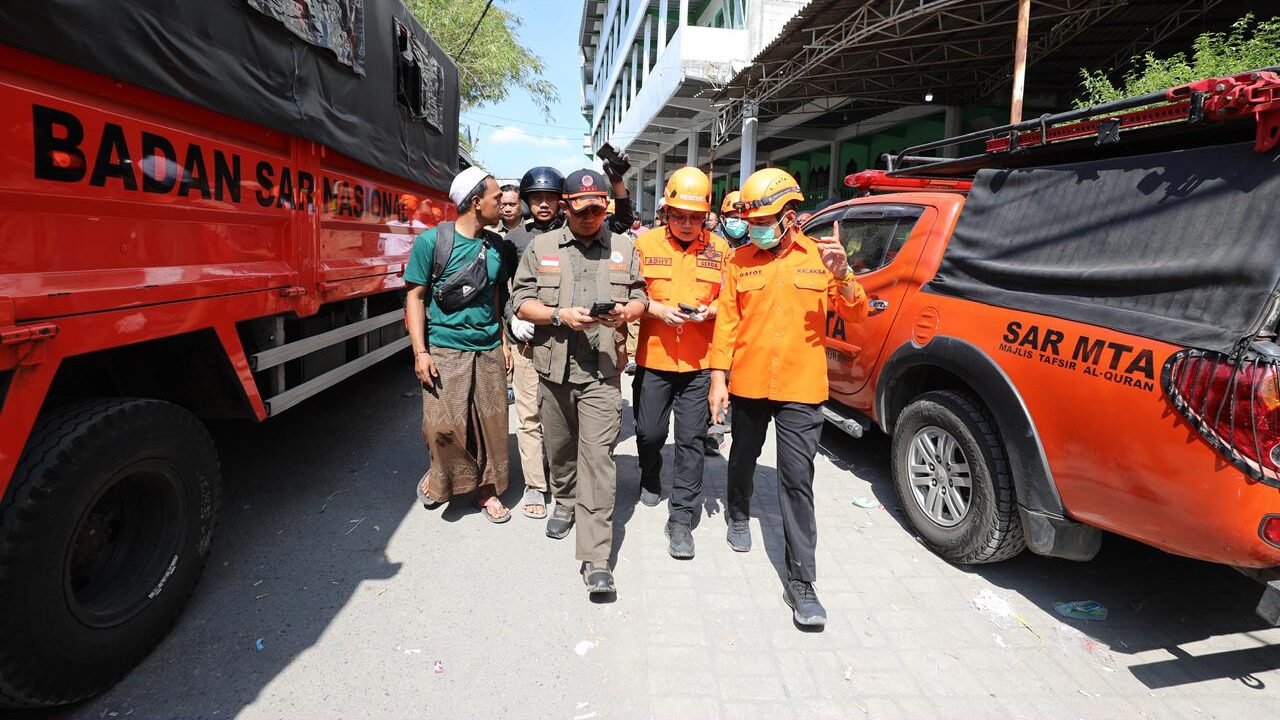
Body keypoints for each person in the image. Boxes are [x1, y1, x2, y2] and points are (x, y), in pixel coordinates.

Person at [708, 168, 868, 627]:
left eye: (763, 219)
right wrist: (719, 379)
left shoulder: (822, 259)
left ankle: (802, 581)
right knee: (742, 455)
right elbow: (727, 327)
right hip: (751, 384)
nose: (754, 227)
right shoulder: (738, 263)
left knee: (797, 479)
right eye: (750, 219)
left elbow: (856, 314)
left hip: (802, 389)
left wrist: (846, 276)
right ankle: (738, 512)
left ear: (789, 216)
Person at [511, 168, 647, 597]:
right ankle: (565, 500)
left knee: (599, 463)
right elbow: (520, 302)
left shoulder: (624, 247)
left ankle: (596, 558)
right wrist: (558, 315)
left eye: (597, 209)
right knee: (561, 449)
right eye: (582, 209)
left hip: (602, 372)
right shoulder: (542, 246)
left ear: (605, 207)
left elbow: (642, 295)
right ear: (566, 206)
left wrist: (628, 311)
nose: (590, 217)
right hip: (553, 369)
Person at [406, 166, 514, 523]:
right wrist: (420, 352)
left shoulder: (496, 244)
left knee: (491, 424)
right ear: (475, 201)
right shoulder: (431, 243)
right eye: (497, 197)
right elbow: (415, 298)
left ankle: (486, 491)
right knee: (442, 425)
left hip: (487, 348)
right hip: (444, 348)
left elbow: (494, 294)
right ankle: (442, 476)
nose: (503, 203)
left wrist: (502, 339)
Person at [632, 167, 731, 559]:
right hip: (654, 358)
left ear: (707, 216)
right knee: (649, 433)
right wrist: (654, 308)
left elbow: (734, 302)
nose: (688, 224)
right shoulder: (645, 244)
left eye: (696, 217)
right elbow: (629, 294)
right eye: (679, 216)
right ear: (666, 212)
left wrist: (711, 311)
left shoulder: (720, 251)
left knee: (691, 440)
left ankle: (681, 518)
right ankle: (650, 473)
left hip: (699, 364)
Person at [503, 166, 565, 519]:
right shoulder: (514, 241)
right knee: (528, 415)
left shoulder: (573, 235)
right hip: (526, 340)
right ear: (527, 203)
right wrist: (511, 317)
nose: (543, 204)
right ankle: (535, 485)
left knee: (558, 415)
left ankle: (560, 477)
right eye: (536, 199)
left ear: (560, 201)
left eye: (550, 198)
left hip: (563, 339)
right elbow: (503, 288)